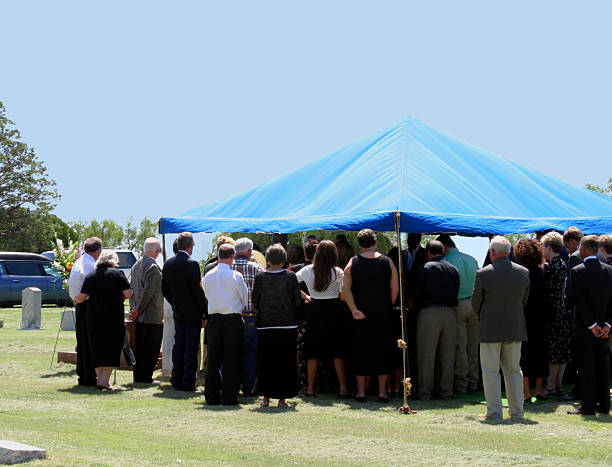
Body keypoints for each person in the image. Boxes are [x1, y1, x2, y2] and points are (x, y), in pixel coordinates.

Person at [472, 236, 530, 421]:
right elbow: (524, 300)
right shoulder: (523, 272)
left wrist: (484, 316)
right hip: (514, 327)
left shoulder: (483, 273)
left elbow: (475, 303)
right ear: (509, 252)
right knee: (514, 371)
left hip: (490, 329)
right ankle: (517, 412)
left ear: (493, 252)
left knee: (490, 372)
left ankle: (494, 412)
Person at [342, 229, 399, 403]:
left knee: (360, 351)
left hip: (360, 315)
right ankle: (382, 392)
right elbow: (395, 289)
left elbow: (345, 290)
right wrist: (386, 306)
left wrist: (353, 309)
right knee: (382, 351)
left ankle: (360, 392)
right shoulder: (388, 262)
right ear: (375, 242)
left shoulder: (353, 263)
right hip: (382, 314)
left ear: (359, 244)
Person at [252, 244, 303, 407]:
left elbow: (255, 301)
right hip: (287, 325)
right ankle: (282, 399)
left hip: (266, 325)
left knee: (266, 362)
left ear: (268, 259)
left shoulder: (260, 277)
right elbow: (296, 300)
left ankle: (266, 398)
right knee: (285, 362)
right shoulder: (290, 277)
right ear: (284, 260)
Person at [296, 240, 349, 398]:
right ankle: (343, 388)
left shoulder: (307, 270)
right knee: (337, 353)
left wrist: (305, 295)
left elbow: (290, 280)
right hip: (334, 312)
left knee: (313, 352)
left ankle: (310, 388)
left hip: (314, 312)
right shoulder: (338, 272)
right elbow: (342, 295)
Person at [566, 235, 612, 415]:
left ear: (584, 249)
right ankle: (605, 405)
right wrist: (607, 324)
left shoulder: (577, 271)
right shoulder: (609, 271)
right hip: (605, 328)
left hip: (585, 328)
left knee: (586, 367)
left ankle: (588, 405)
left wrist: (592, 325)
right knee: (603, 365)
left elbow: (577, 301)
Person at [75, 251, 133, 391]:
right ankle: (104, 381)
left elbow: (82, 296)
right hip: (112, 316)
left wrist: (76, 299)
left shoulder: (91, 275)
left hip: (93, 316)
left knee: (97, 347)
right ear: (114, 261)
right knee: (112, 347)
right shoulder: (117, 274)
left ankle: (101, 379)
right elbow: (128, 293)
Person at [413, 240, 460, 400]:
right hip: (450, 313)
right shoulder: (453, 269)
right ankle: (446, 391)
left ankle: (425, 392)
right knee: (447, 356)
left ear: (429, 253)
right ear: (443, 252)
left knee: (427, 355)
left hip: (430, 312)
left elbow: (417, 293)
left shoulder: (425, 268)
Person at [202, 243, 248, 405]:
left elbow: (207, 295)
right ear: (233, 257)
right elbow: (244, 297)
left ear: (219, 256)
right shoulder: (236, 276)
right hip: (232, 319)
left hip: (214, 319)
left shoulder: (208, 276)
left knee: (213, 359)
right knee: (232, 359)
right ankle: (229, 396)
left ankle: (211, 395)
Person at [162, 232, 206, 392]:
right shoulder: (192, 264)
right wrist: (204, 312)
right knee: (191, 347)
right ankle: (188, 382)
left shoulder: (168, 264)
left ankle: (177, 379)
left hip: (178, 310)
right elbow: (197, 291)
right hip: (192, 311)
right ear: (191, 246)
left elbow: (164, 289)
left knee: (178, 345)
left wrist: (175, 302)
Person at [436, 234, 479, 394]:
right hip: (474, 304)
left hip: (458, 305)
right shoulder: (472, 259)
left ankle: (462, 383)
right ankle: (474, 382)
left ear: (444, 247)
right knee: (473, 347)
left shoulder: (448, 261)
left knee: (460, 347)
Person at [514, 238, 548, 402]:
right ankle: (540, 389)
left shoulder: (520, 272)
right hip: (541, 315)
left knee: (525, 354)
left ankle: (526, 392)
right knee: (540, 352)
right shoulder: (542, 272)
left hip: (524, 315)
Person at [231, 237, 264, 397]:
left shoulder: (228, 267)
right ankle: (248, 389)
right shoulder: (257, 268)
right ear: (250, 252)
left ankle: (231, 386)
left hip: (231, 316)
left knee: (231, 353)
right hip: (251, 316)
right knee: (250, 354)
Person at [68, 237, 103, 387]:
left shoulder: (79, 262)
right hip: (88, 304)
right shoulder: (91, 266)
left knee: (82, 341)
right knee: (89, 341)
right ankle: (89, 375)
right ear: (98, 250)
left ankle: (83, 373)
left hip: (79, 304)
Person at [129, 237, 164, 384]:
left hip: (138, 315)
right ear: (158, 251)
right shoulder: (153, 268)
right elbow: (147, 293)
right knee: (151, 348)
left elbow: (132, 291)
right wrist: (138, 309)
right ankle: (146, 376)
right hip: (151, 315)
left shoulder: (135, 266)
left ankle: (139, 376)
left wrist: (134, 308)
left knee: (140, 348)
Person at [540, 231, 571, 395]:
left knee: (553, 350)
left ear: (549, 247)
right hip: (562, 308)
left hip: (551, 310)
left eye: (543, 246)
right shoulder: (563, 264)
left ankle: (550, 385)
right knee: (562, 349)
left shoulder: (549, 267)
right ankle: (558, 384)